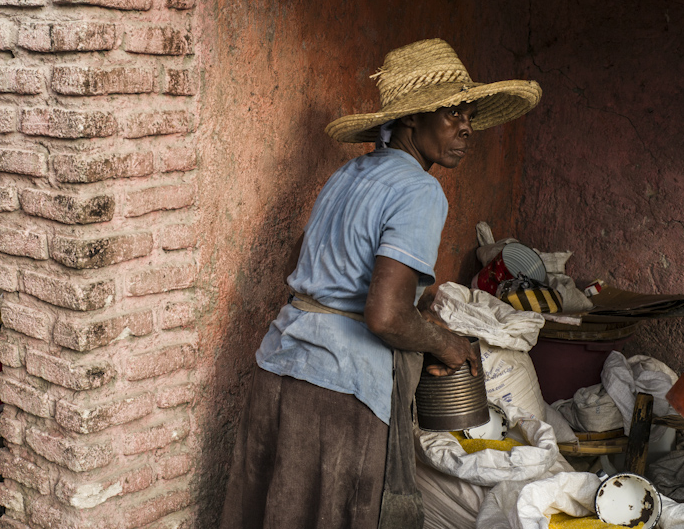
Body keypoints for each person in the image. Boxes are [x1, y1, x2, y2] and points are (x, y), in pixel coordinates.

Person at [218, 38, 542, 529]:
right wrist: (449, 345)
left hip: (280, 365)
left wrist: (426, 331)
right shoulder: (420, 189)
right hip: (338, 394)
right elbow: (386, 315)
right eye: (453, 113)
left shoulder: (349, 174)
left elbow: (340, 280)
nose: (465, 128)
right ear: (412, 118)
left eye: (469, 115)